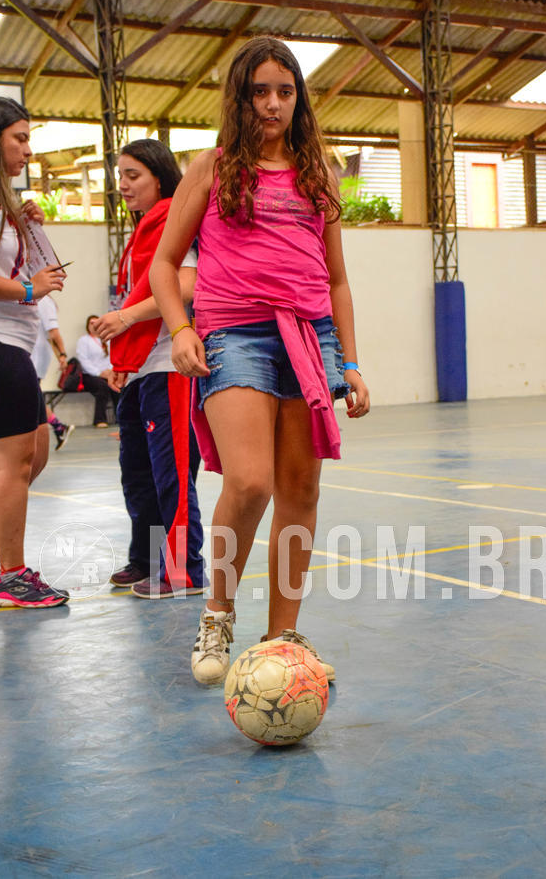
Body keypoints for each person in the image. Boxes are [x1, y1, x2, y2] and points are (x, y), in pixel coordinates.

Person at [150, 37, 370, 685]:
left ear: (298, 98)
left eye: (285, 91)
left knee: (301, 489)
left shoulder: (317, 172)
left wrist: (350, 362)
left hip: (310, 338)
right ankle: (217, 613)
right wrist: (181, 329)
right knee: (250, 483)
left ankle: (283, 640)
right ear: (240, 99)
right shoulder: (212, 170)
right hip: (233, 337)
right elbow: (166, 264)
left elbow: (336, 280)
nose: (273, 104)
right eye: (260, 92)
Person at [93, 139, 207, 600]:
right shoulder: (141, 234)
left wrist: (125, 319)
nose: (123, 185)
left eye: (133, 175)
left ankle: (184, 570)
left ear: (159, 177)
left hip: (171, 366)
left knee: (173, 475)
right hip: (141, 370)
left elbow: (187, 284)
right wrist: (123, 359)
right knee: (137, 472)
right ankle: (145, 557)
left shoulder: (177, 223)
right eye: (120, 176)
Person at [0, 97, 69, 608]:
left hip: (14, 343)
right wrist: (28, 291)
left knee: (34, 453)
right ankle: (12, 575)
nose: (27, 149)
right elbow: (23, 284)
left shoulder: (6, 204)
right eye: (19, 138)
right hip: (0, 341)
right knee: (15, 463)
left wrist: (26, 224)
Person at [31, 294, 74, 450]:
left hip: (34, 358)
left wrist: (62, 355)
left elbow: (53, 333)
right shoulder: (31, 298)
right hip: (31, 355)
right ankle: (59, 428)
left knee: (32, 397)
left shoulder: (44, 301)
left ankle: (58, 428)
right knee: (32, 397)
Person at [75, 314, 120, 427]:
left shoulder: (107, 339)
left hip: (107, 374)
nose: (93, 325)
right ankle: (100, 420)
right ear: (87, 326)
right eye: (91, 323)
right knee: (102, 387)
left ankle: (120, 418)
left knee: (117, 386)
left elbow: (112, 357)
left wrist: (110, 371)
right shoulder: (84, 340)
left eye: (96, 322)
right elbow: (84, 361)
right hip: (90, 375)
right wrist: (99, 373)